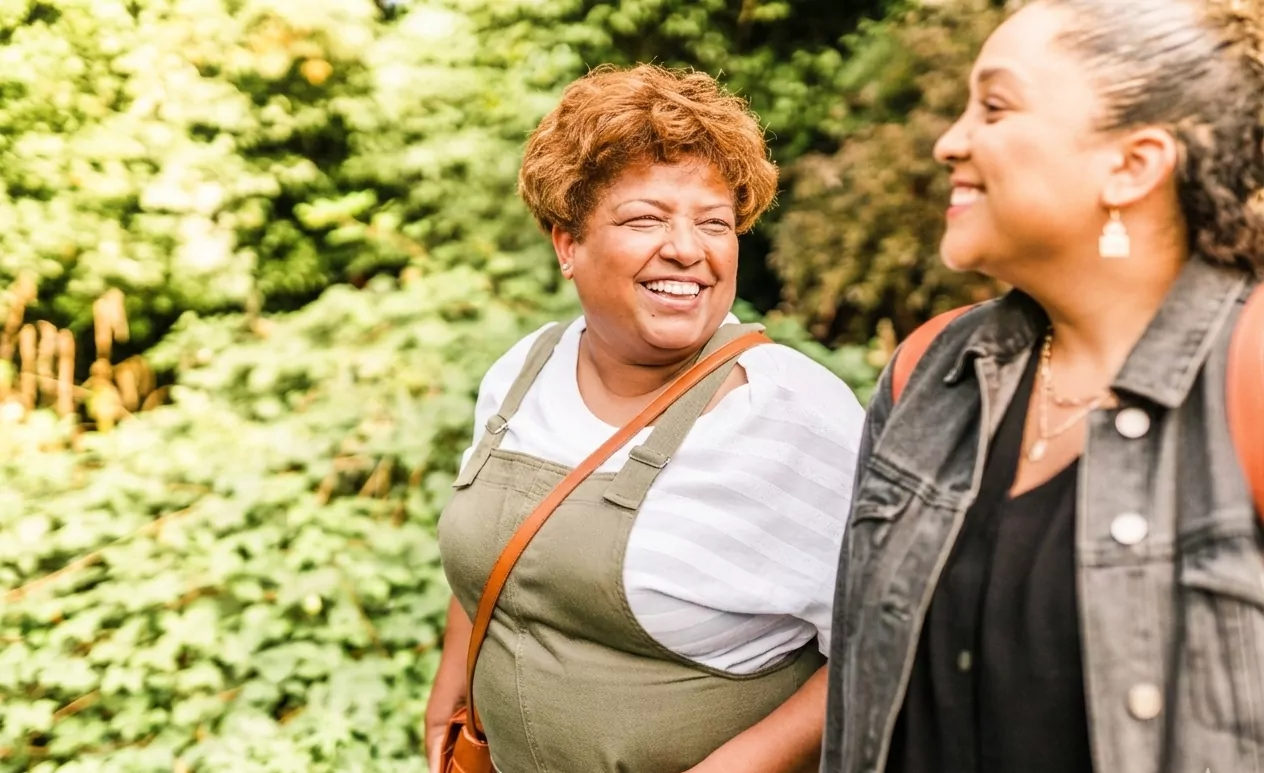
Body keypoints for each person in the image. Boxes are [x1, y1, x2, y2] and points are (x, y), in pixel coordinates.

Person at [821, 1, 1264, 772]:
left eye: (993, 106)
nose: (947, 142)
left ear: (1132, 164)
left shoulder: (1249, 376)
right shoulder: (927, 372)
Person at [424, 64, 865, 773]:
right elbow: (489, 555)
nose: (688, 249)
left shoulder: (786, 410)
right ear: (568, 242)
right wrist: (451, 696)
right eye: (645, 219)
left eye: (714, 223)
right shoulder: (522, 372)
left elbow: (878, 640)